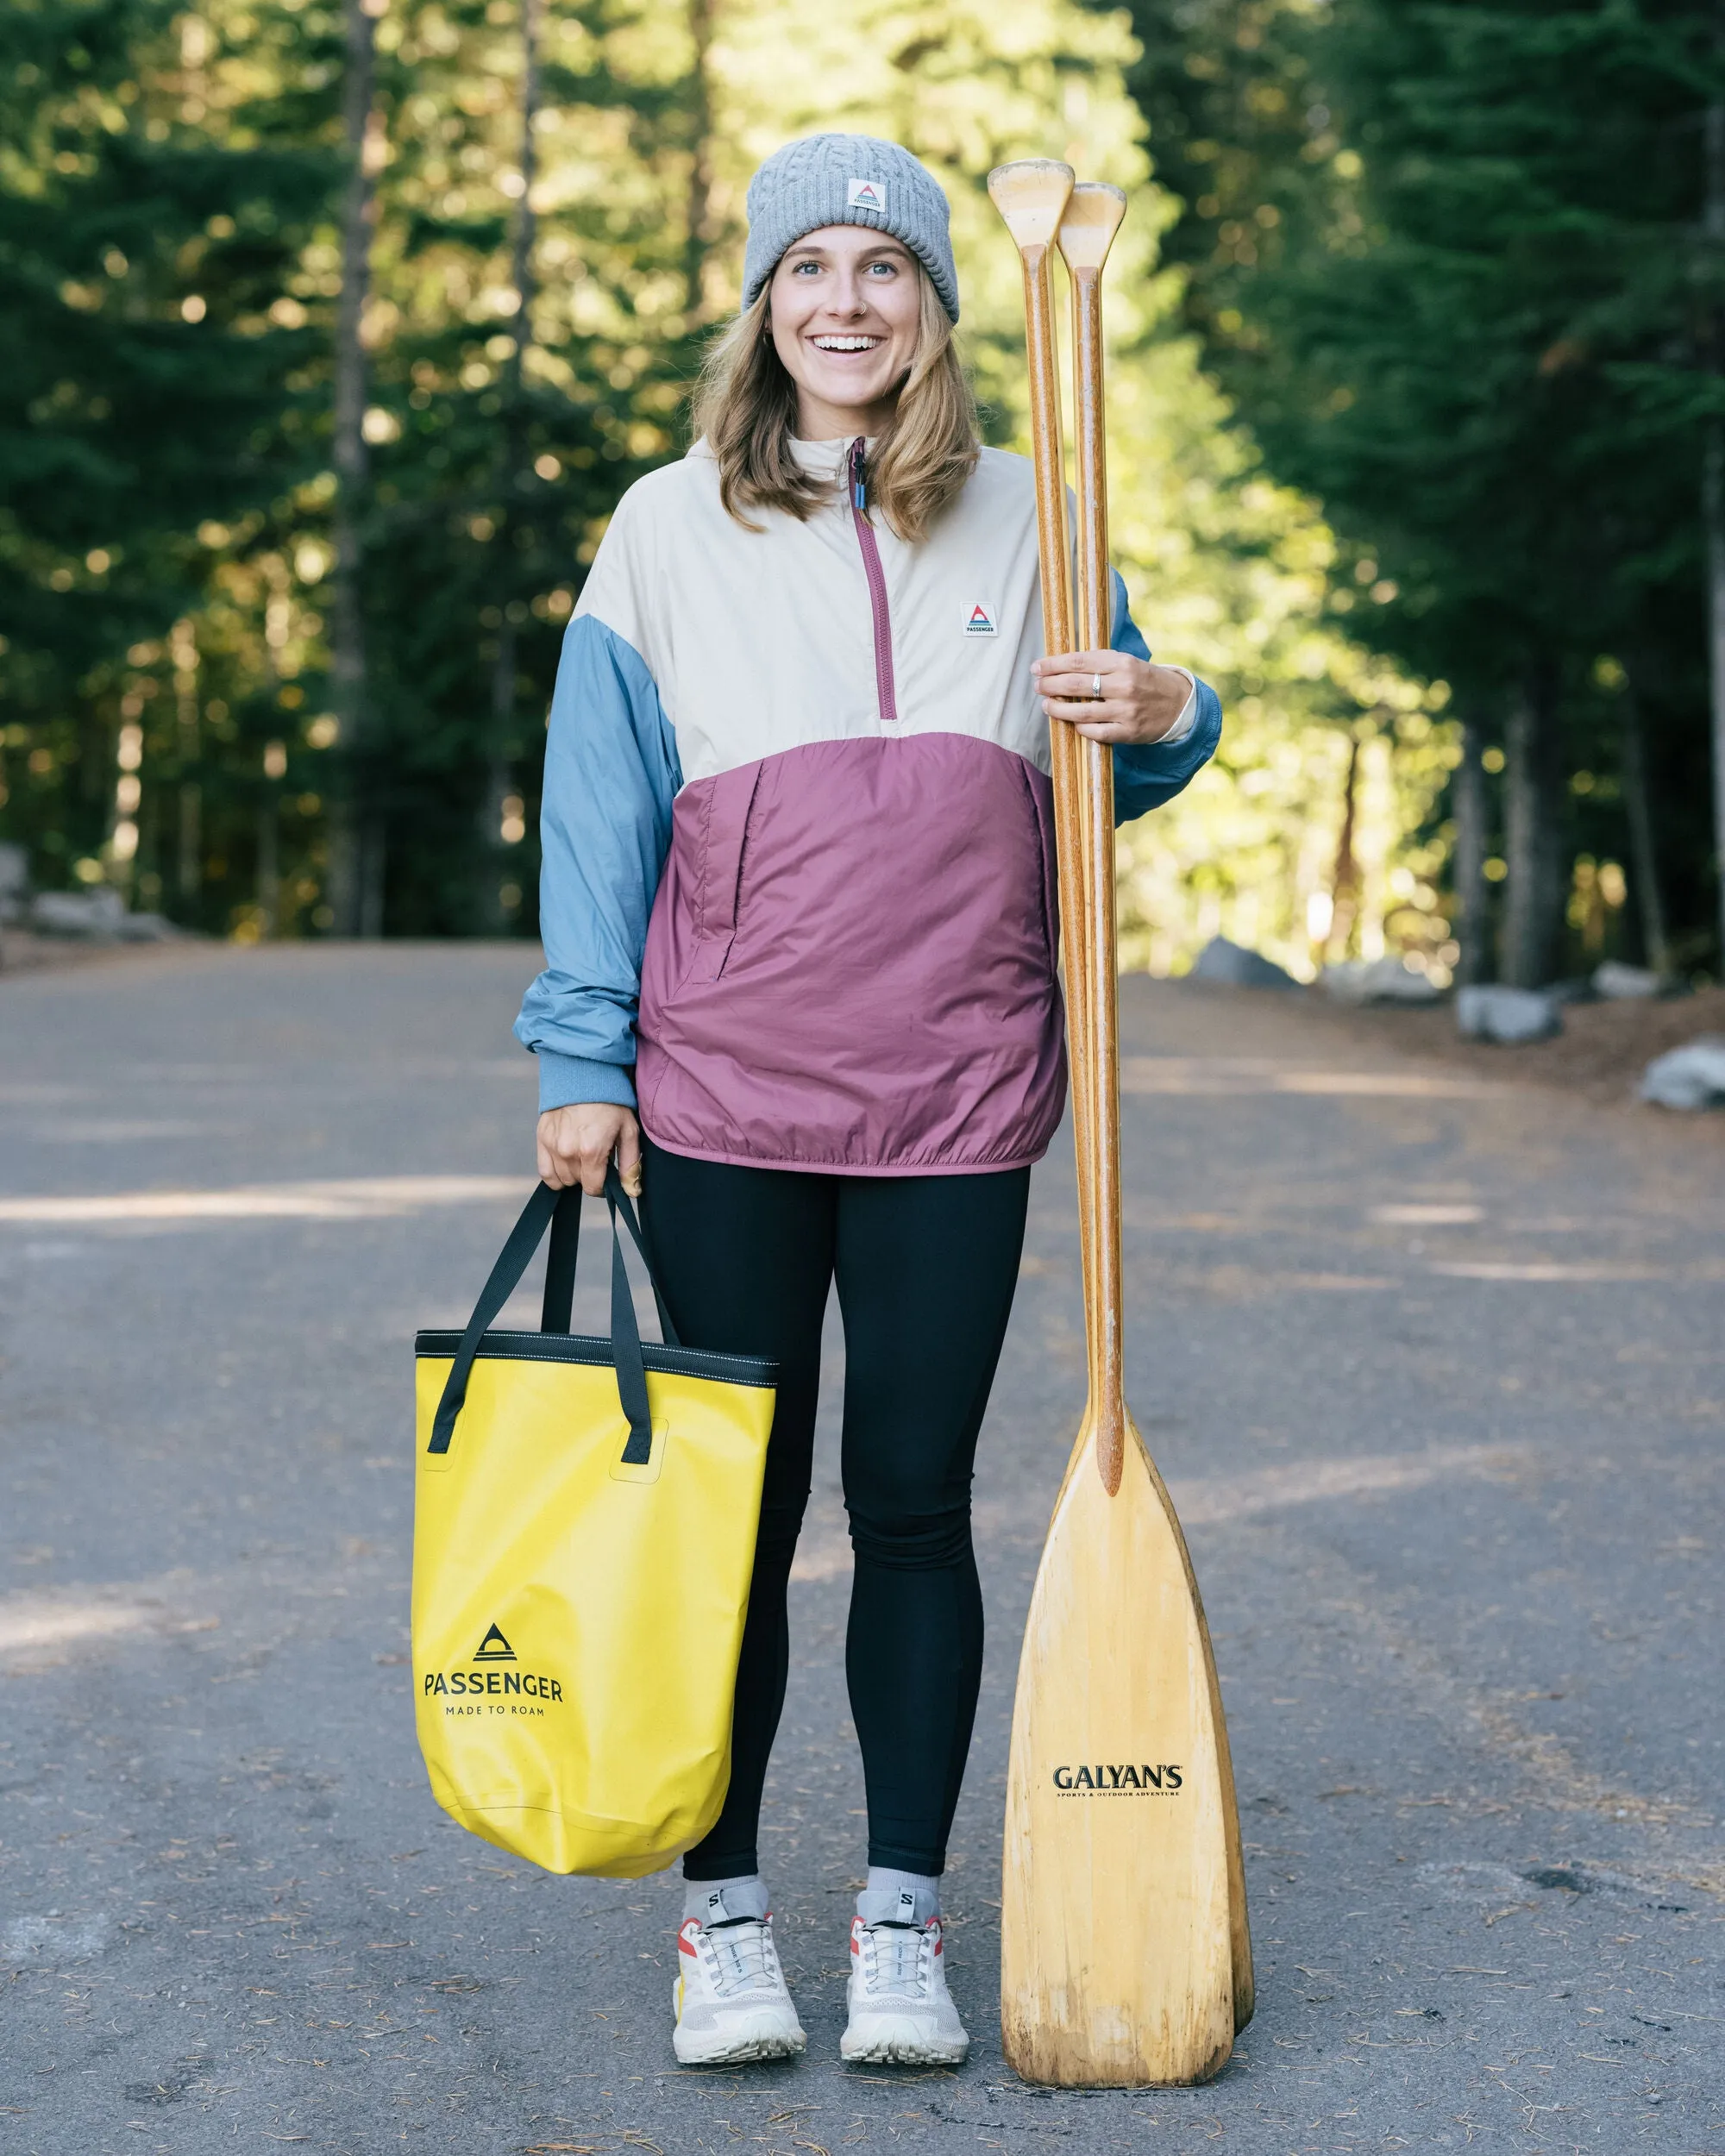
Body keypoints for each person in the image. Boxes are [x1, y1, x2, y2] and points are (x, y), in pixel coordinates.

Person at [515, 133, 1220, 2069]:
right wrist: (582, 1060)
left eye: (883, 268)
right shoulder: (664, 522)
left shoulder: (1032, 508)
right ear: (762, 300)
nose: (846, 300)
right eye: (809, 266)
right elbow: (599, 812)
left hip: (961, 1089)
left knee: (912, 1506)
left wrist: (1178, 716)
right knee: (728, 1523)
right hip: (724, 1089)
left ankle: (901, 1910)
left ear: (935, 304)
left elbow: (1113, 744)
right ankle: (720, 1909)